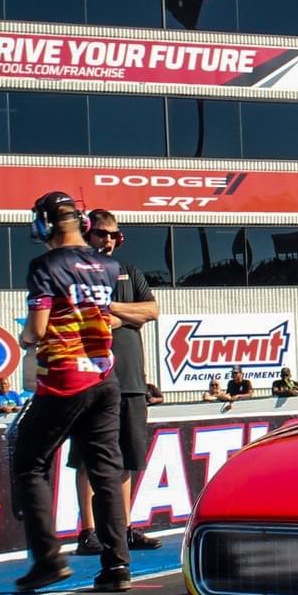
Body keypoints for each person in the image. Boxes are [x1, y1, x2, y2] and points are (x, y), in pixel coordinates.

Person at [8, 191, 129, 594]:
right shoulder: (109, 265)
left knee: (29, 462)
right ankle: (117, 565)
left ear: (44, 224)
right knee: (106, 472)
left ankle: (47, 559)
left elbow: (38, 328)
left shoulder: (44, 265)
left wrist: (23, 339)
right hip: (103, 377)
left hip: (64, 377)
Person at [70, 210, 164, 558]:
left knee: (126, 458)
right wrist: (128, 315)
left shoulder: (129, 271)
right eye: (100, 234)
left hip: (131, 382)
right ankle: (88, 531)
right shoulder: (74, 272)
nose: (106, 240)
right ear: (87, 234)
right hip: (89, 380)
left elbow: (152, 311)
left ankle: (121, 530)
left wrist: (113, 311)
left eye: (112, 235)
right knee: (87, 459)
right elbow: (83, 316)